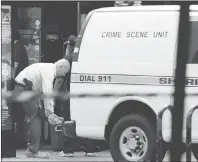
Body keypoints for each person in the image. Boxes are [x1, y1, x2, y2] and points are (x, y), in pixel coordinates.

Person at [13, 59, 70, 158]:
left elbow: (41, 92)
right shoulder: (49, 71)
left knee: (38, 115)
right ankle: (32, 151)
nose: (63, 75)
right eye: (64, 72)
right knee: (36, 118)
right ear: (60, 67)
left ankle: (32, 149)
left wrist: (49, 113)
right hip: (24, 88)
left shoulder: (47, 68)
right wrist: (50, 112)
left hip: (24, 87)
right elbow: (48, 92)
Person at [59, 35, 96, 157]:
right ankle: (89, 148)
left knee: (69, 119)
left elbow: (59, 78)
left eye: (67, 45)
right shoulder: (87, 57)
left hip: (72, 94)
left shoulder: (68, 58)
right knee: (84, 119)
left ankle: (68, 149)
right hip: (86, 93)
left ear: (70, 46)